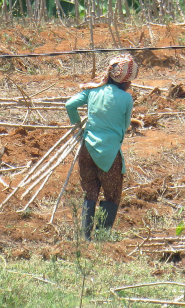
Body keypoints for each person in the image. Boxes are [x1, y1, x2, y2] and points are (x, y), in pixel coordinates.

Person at [65, 54, 137, 240]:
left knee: (90, 193)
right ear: (125, 81)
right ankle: (101, 239)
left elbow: (70, 105)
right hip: (109, 154)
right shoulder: (126, 99)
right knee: (112, 196)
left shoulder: (93, 90)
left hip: (87, 149)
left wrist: (78, 127)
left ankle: (85, 237)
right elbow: (125, 124)